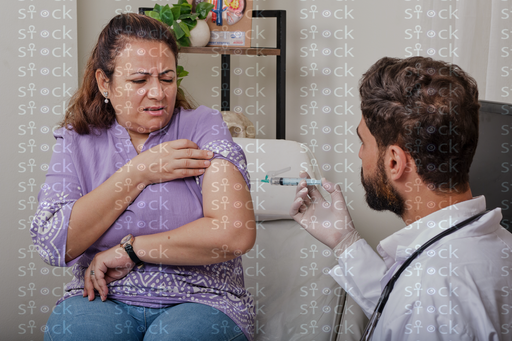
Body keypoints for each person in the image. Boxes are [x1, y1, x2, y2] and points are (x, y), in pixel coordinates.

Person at [31, 13, 255, 341]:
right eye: (139, 81)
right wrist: (139, 172)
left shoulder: (204, 127)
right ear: (105, 82)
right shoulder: (77, 139)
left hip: (202, 298)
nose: (157, 93)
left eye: (166, 78)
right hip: (100, 296)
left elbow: (234, 233)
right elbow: (52, 243)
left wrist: (132, 250)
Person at [290, 56, 512, 340]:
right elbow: (401, 309)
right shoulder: (495, 243)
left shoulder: (430, 293)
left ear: (394, 162)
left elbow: (419, 306)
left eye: (364, 143)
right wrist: (344, 242)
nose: (360, 155)